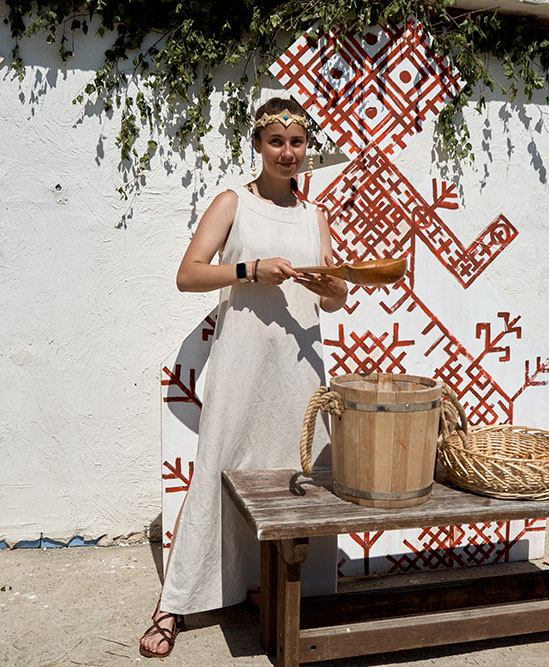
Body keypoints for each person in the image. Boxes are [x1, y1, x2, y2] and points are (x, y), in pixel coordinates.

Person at [139, 97, 348, 658]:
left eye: (297, 142)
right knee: (220, 469)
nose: (287, 152)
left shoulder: (314, 216)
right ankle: (175, 602)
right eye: (276, 141)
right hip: (241, 363)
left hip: (300, 367)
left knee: (301, 475)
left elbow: (333, 299)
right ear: (257, 144)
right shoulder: (234, 202)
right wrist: (250, 270)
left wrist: (334, 288)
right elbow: (188, 275)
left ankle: (277, 588)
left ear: (307, 148)